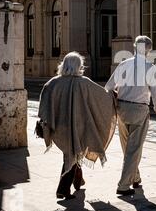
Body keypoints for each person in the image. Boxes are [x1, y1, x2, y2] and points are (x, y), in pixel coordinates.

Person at [38, 52, 117, 199]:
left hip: (58, 127)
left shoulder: (52, 83)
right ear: (78, 66)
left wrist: (46, 122)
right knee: (73, 153)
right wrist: (112, 95)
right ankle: (63, 189)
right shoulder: (84, 82)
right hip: (78, 125)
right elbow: (103, 96)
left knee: (73, 152)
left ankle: (78, 180)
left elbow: (44, 105)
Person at [105, 36, 156, 196]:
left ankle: (135, 178)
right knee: (134, 149)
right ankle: (123, 185)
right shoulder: (149, 67)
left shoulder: (124, 64)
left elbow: (109, 87)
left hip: (122, 109)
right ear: (148, 50)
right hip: (139, 110)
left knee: (128, 148)